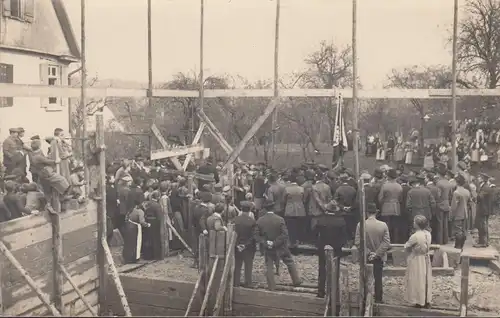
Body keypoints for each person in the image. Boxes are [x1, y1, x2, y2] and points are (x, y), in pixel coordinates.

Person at [254, 199, 302, 291]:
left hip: (268, 248)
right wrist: (275, 242)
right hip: (281, 247)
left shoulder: (260, 221)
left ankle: (271, 286)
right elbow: (285, 234)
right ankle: (296, 280)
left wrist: (266, 242)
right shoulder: (280, 219)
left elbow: (256, 235)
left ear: (265, 209)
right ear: (273, 208)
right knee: (289, 262)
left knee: (269, 266)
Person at [355, 202, 390, 304]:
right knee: (378, 277)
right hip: (379, 256)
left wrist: (368, 252)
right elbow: (386, 242)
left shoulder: (360, 225)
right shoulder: (383, 225)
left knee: (364, 277)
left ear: (366, 213)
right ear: (376, 213)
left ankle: (365, 297)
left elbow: (358, 242)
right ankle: (378, 298)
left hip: (365, 256)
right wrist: (377, 253)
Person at [316, 200, 347, 301]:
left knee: (322, 269)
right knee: (336, 269)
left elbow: (314, 234)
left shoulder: (321, 220)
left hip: (323, 247)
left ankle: (321, 291)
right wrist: (339, 246)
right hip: (336, 248)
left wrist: (319, 245)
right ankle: (335, 291)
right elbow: (344, 237)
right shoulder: (341, 221)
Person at [404, 215, 432, 308]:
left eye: (414, 222)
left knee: (417, 279)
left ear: (417, 224)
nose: (413, 223)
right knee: (426, 279)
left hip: (417, 258)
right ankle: (426, 299)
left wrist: (409, 250)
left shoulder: (415, 236)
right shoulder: (428, 234)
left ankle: (418, 300)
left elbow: (407, 246)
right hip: (426, 258)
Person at [122, 190, 151, 264]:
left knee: (128, 243)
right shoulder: (140, 211)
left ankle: (127, 257)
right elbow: (142, 222)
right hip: (135, 227)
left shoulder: (130, 210)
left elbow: (126, 218)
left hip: (128, 226)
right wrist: (148, 225)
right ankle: (135, 258)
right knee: (137, 243)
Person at [233, 201, 257, 288]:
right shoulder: (252, 221)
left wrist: (237, 245)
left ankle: (236, 282)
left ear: (241, 209)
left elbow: (232, 234)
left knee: (237, 265)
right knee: (248, 265)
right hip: (248, 248)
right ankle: (248, 283)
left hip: (236, 246)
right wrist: (245, 245)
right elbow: (253, 236)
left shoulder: (235, 220)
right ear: (250, 210)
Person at [378, 169, 403, 243]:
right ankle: (395, 242)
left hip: (386, 207)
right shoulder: (399, 186)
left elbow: (380, 198)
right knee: (395, 226)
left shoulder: (385, 186)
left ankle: (386, 241)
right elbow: (400, 199)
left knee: (386, 226)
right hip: (396, 207)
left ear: (388, 177)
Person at [283, 175, 306, 248]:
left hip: (290, 209)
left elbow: (283, 199)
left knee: (291, 227)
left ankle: (292, 241)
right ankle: (300, 240)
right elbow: (304, 199)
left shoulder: (287, 189)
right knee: (300, 226)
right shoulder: (301, 189)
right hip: (300, 208)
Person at [434, 164, 453, 245]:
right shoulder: (448, 183)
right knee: (445, 223)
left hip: (440, 204)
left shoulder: (439, 183)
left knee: (439, 224)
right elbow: (450, 195)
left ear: (438, 173)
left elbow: (438, 195)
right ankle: (445, 240)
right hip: (447, 203)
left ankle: (439, 241)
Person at [475, 172, 494, 247]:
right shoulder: (483, 186)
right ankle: (483, 241)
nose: (478, 178)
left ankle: (483, 242)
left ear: (483, 179)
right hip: (484, 209)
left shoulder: (485, 187)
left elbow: (480, 197)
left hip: (483, 210)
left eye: (479, 177)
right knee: (482, 225)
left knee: (483, 226)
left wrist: (474, 194)